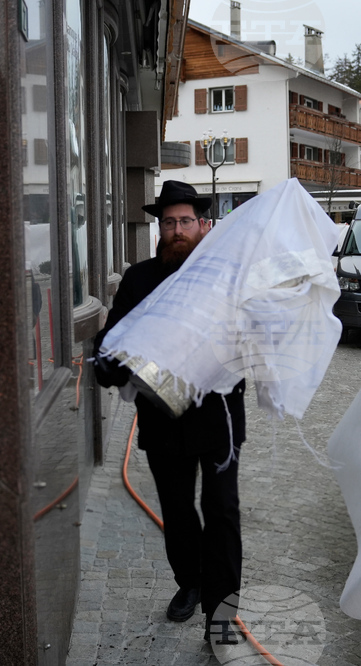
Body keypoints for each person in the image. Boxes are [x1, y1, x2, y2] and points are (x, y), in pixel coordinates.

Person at [93, 180, 245, 641]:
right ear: (159, 227)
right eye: (168, 222)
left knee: (221, 511)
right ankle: (191, 583)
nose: (176, 230)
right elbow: (112, 343)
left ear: (204, 225)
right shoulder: (138, 279)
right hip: (163, 420)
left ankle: (222, 615)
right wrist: (111, 364)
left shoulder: (228, 276)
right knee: (178, 511)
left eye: (185, 221)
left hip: (217, 417)